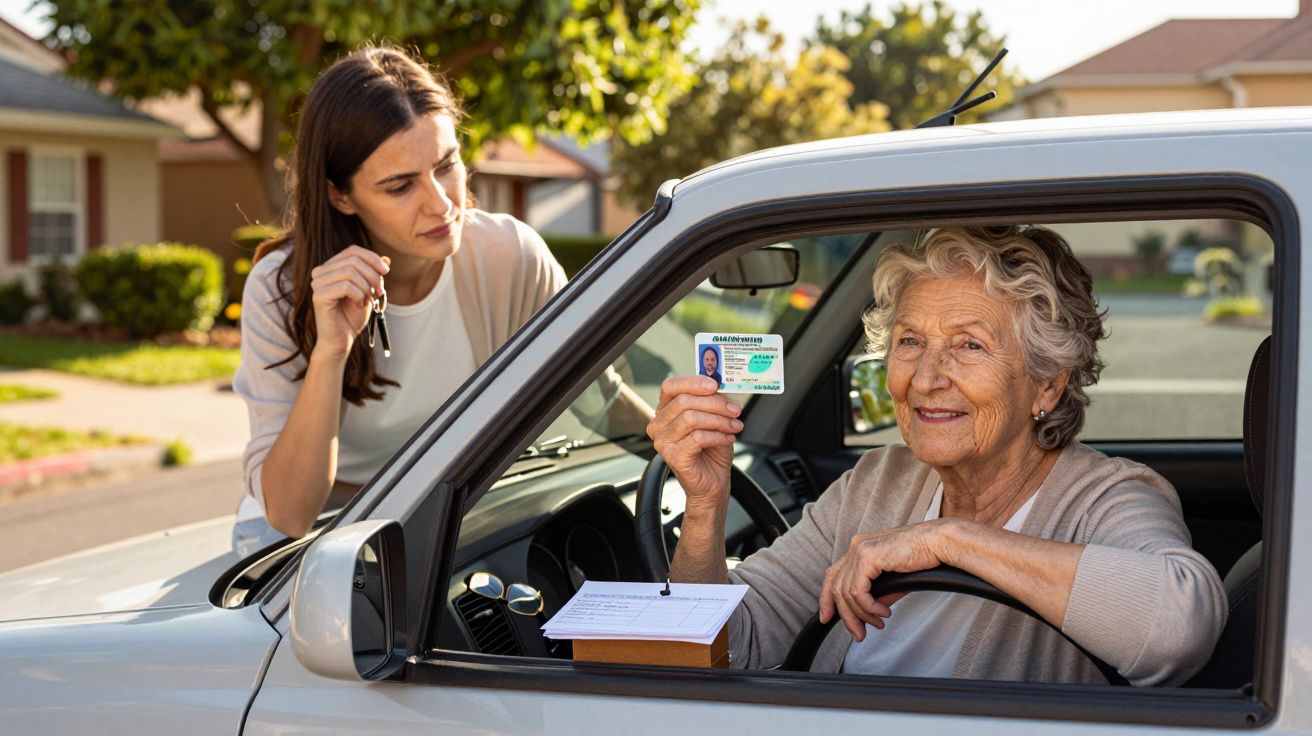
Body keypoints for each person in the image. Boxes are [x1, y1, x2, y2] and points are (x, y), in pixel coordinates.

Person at [647, 225, 1227, 686]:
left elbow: (1180, 627)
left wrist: (949, 541)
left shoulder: (1106, 497)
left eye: (969, 345)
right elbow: (727, 644)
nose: (926, 378)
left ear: (1048, 385)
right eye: (910, 341)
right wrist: (706, 505)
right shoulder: (877, 482)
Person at [232, 46, 648, 553]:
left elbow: (597, 398)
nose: (440, 202)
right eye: (400, 187)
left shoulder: (508, 256)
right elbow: (291, 513)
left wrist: (697, 455)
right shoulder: (282, 288)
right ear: (341, 196)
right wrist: (331, 352)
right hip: (318, 531)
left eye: (446, 165)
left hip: (443, 516)